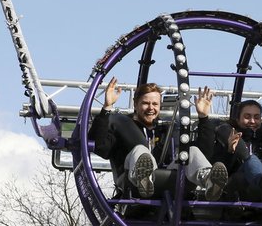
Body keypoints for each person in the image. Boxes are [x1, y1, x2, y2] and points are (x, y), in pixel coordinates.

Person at [90, 78, 228, 200]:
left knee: (191, 151)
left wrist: (203, 118)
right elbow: (100, 147)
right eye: (145, 103)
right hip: (131, 183)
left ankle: (209, 180)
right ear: (135, 104)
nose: (151, 108)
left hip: (169, 177)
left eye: (155, 104)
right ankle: (144, 178)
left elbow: (204, 152)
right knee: (140, 149)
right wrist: (106, 108)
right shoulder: (124, 128)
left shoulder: (167, 130)